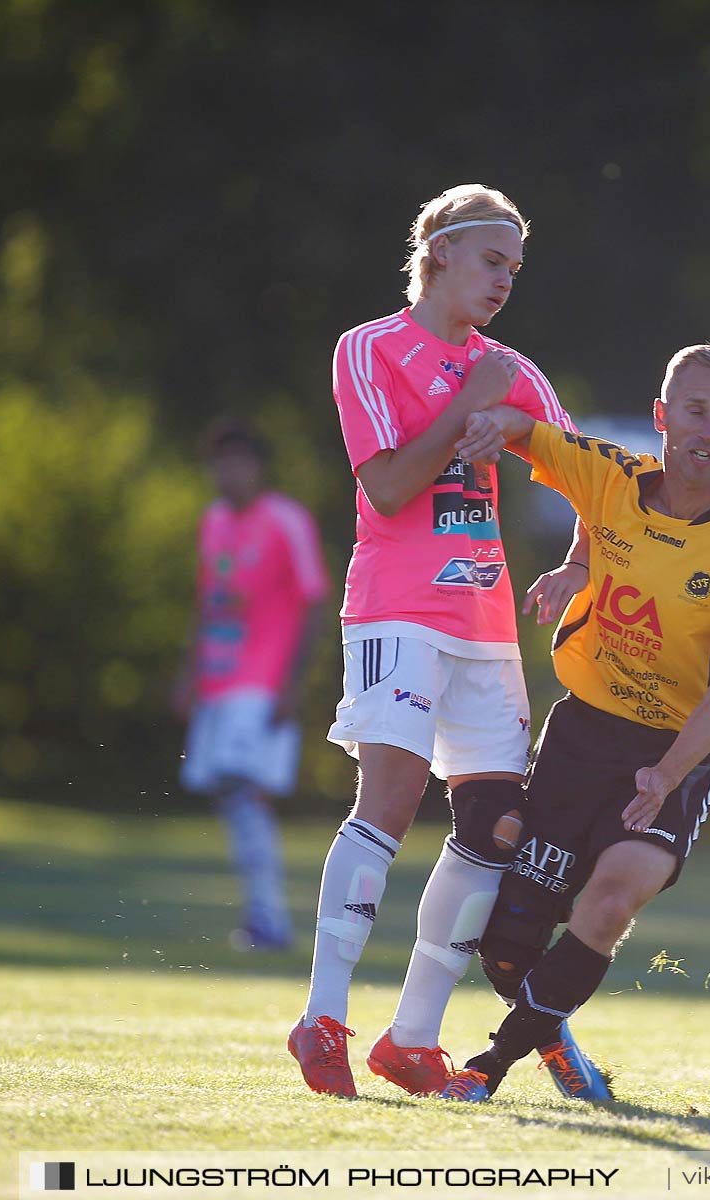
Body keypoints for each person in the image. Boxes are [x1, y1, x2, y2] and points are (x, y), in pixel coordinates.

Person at [434, 344, 710, 1103]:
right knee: (507, 948)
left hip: (677, 750)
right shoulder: (611, 475)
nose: (708, 427)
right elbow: (524, 431)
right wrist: (483, 435)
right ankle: (551, 1032)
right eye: (694, 410)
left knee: (613, 895)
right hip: (581, 735)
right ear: (663, 417)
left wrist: (667, 776)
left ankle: (487, 1067)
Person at [288, 184, 584, 1099]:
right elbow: (386, 488)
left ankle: (411, 1039)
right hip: (398, 610)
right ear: (441, 252)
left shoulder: (513, 369)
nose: (505, 282)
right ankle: (322, 1020)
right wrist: (471, 412)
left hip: (487, 625)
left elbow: (591, 479)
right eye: (492, 261)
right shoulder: (369, 349)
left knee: (497, 827)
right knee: (391, 795)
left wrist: (576, 566)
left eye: (516, 269)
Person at [174, 417, 330, 951]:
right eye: (219, 461)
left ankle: (269, 921)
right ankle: (261, 916)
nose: (228, 471)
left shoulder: (285, 520)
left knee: (245, 793)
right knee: (230, 796)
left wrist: (292, 683)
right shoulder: (213, 521)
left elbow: (313, 602)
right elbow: (205, 601)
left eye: (238, 460)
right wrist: (188, 672)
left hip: (261, 682)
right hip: (218, 683)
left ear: (257, 467)